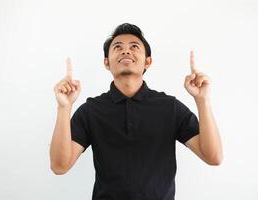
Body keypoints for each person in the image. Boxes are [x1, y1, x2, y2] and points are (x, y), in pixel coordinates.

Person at [49, 23, 223, 200]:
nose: (126, 51)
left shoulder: (170, 107)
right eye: (118, 47)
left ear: (148, 61)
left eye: (134, 46)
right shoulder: (91, 110)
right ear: (106, 62)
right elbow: (59, 166)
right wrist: (64, 107)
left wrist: (202, 100)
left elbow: (213, 157)